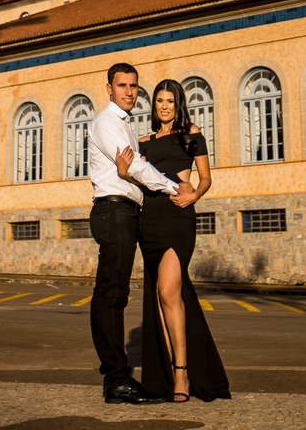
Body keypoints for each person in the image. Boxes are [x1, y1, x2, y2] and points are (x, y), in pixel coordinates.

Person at [116, 78, 230, 403]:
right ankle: (168, 373)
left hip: (178, 217)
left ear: (178, 103)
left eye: (170, 101)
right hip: (148, 219)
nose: (164, 106)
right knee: (162, 296)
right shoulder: (144, 141)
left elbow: (206, 177)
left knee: (167, 291)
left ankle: (181, 371)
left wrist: (194, 196)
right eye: (159, 101)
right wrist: (124, 172)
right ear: (154, 106)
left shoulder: (192, 134)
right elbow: (140, 180)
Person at [88, 62, 188, 405]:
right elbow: (135, 167)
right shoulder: (107, 123)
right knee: (111, 294)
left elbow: (132, 170)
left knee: (116, 294)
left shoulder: (127, 128)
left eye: (133, 86)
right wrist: (173, 187)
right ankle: (116, 379)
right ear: (109, 88)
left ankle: (117, 377)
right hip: (114, 210)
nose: (129, 92)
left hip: (127, 211)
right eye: (122, 86)